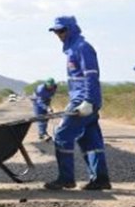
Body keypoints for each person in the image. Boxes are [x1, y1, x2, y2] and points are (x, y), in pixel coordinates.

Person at [44, 16, 111, 191]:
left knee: (61, 135)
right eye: (56, 31)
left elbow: (91, 76)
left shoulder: (82, 48)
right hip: (83, 99)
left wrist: (88, 101)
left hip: (84, 99)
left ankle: (66, 179)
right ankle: (100, 179)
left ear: (72, 29)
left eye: (62, 30)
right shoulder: (73, 49)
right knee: (90, 140)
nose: (59, 34)